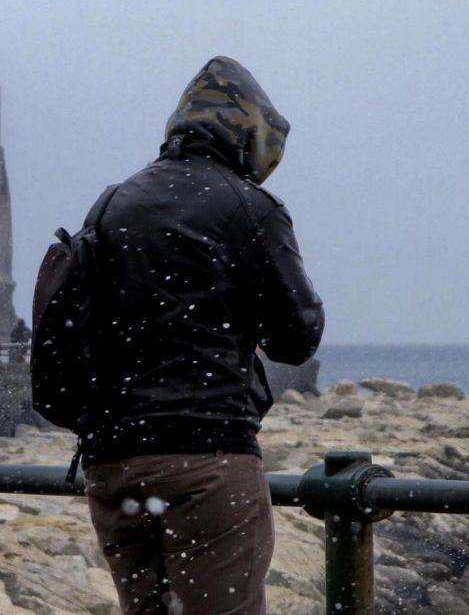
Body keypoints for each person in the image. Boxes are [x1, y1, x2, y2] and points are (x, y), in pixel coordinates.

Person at [78, 57, 324, 614]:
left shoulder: (115, 202)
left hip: (113, 463)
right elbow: (297, 335)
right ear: (249, 136)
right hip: (205, 457)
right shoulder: (246, 206)